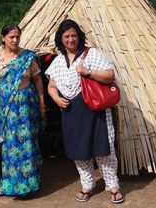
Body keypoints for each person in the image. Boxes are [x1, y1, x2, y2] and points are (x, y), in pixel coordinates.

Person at [45, 19, 124, 204]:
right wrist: (56, 98)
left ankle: (113, 186)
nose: (70, 39)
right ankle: (87, 185)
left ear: (79, 37)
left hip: (94, 110)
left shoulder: (91, 54)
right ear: (61, 39)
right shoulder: (58, 61)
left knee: (103, 148)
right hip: (71, 113)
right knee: (79, 151)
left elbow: (109, 75)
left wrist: (87, 72)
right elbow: (51, 86)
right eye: (66, 36)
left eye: (73, 35)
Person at [0, 23, 46, 197]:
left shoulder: (28, 57)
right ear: (2, 38)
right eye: (11, 36)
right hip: (3, 109)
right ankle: (11, 185)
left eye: (17, 36)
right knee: (9, 146)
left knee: (27, 144)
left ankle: (29, 184)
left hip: (26, 108)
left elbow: (38, 80)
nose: (15, 39)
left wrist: (41, 102)